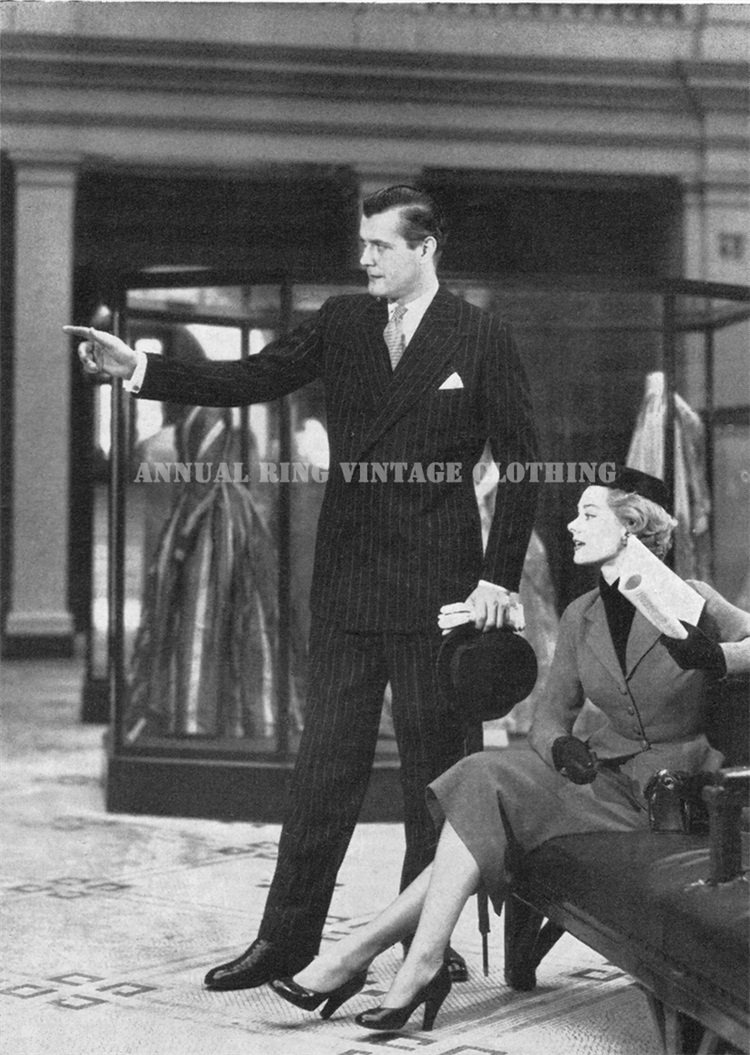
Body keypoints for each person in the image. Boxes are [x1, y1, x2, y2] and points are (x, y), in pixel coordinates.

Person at [65, 184, 540, 989]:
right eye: (362, 243)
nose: (364, 259)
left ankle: (423, 944)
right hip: (349, 584)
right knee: (323, 769)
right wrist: (137, 368)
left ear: (426, 248)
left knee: (436, 776)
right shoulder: (342, 321)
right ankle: (285, 940)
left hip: (441, 593)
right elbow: (249, 377)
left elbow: (524, 462)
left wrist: (498, 575)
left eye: (380, 246)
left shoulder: (481, 335)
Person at [266, 467, 750, 1032]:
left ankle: (361, 957)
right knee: (480, 774)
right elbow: (550, 715)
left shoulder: (694, 599)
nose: (571, 526)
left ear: (631, 527)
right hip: (603, 780)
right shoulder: (581, 614)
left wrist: (719, 657)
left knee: (476, 818)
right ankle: (417, 961)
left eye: (588, 514)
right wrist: (559, 744)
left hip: (680, 793)